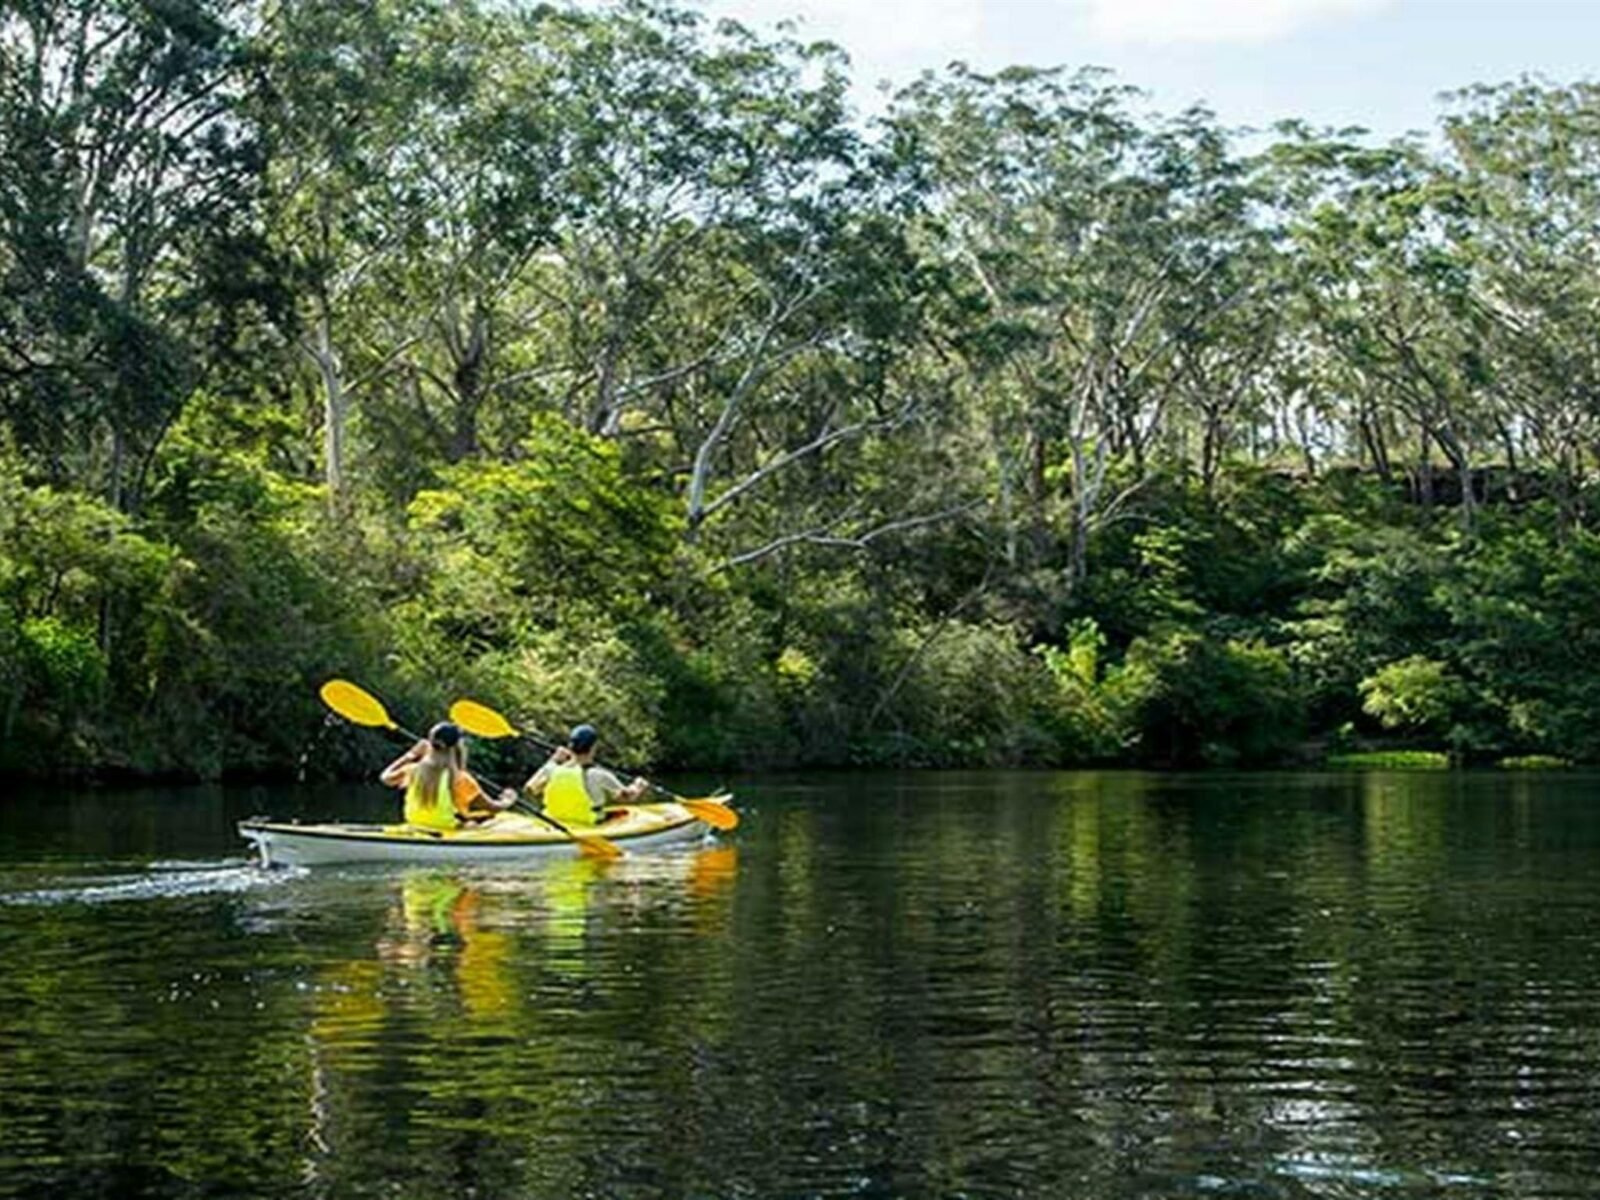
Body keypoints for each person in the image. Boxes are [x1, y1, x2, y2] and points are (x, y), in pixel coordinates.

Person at [379, 721, 513, 832]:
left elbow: (385, 777)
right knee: (479, 823)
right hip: (446, 828)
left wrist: (411, 755)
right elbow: (493, 807)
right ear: (457, 747)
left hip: (415, 825)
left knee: (471, 821)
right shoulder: (461, 779)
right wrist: (508, 800)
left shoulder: (413, 770)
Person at [520, 723, 651, 827]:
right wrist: (638, 785)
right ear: (594, 747)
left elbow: (529, 789)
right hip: (588, 825)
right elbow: (627, 797)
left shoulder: (552, 769)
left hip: (554, 822)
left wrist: (554, 759)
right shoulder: (599, 775)